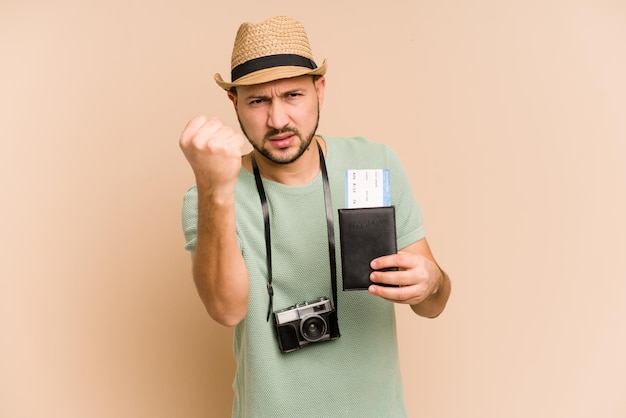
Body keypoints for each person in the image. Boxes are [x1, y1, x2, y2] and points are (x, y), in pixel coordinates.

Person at [179, 15, 451, 418]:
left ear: (319, 90)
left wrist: (431, 283)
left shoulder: (374, 163)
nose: (278, 120)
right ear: (234, 103)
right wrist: (214, 188)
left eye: (292, 95)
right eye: (258, 100)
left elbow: (434, 305)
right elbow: (226, 309)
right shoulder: (209, 195)